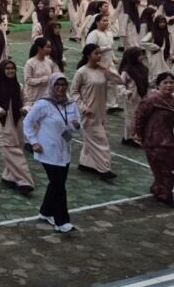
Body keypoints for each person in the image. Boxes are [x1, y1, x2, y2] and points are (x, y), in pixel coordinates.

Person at [23, 73, 82, 233]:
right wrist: (34, 142)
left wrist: (76, 126)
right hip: (47, 150)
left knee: (57, 183)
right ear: (51, 86)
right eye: (57, 84)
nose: (61, 88)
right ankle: (61, 221)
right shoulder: (43, 104)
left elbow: (75, 126)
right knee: (58, 185)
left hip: (65, 150)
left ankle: (46, 211)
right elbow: (27, 123)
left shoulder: (70, 104)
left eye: (63, 85)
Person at [70, 43, 124, 180]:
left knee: (91, 140)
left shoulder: (102, 71)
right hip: (89, 113)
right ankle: (104, 169)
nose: (99, 55)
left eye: (100, 53)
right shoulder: (82, 72)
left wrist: (107, 70)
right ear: (88, 55)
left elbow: (120, 81)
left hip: (101, 112)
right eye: (96, 53)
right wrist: (83, 108)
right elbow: (74, 92)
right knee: (101, 141)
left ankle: (85, 163)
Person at [0, 60, 34, 194]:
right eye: (7, 68)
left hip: (17, 124)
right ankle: (25, 181)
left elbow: (27, 101)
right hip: (3, 125)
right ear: (2, 71)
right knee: (14, 153)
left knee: (16, 148)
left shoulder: (18, 86)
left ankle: (8, 176)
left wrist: (25, 108)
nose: (10, 71)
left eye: (12, 68)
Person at [135, 72, 174, 206]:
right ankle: (164, 194)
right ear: (158, 85)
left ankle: (158, 188)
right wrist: (140, 134)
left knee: (163, 169)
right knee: (165, 170)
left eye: (171, 82)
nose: (169, 85)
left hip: (169, 140)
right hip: (154, 141)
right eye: (165, 82)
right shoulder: (151, 100)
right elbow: (140, 117)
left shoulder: (172, 101)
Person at [118, 47, 148, 147]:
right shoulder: (126, 70)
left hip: (141, 96)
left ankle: (136, 136)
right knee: (131, 117)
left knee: (139, 117)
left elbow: (146, 81)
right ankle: (128, 138)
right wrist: (125, 92)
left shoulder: (142, 67)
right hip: (131, 97)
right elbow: (120, 84)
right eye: (139, 55)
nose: (141, 57)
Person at [23, 37, 61, 106]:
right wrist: (42, 80)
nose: (50, 49)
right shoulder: (30, 63)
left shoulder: (49, 62)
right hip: (33, 98)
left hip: (46, 97)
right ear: (40, 48)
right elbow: (27, 80)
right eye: (47, 47)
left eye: (50, 47)